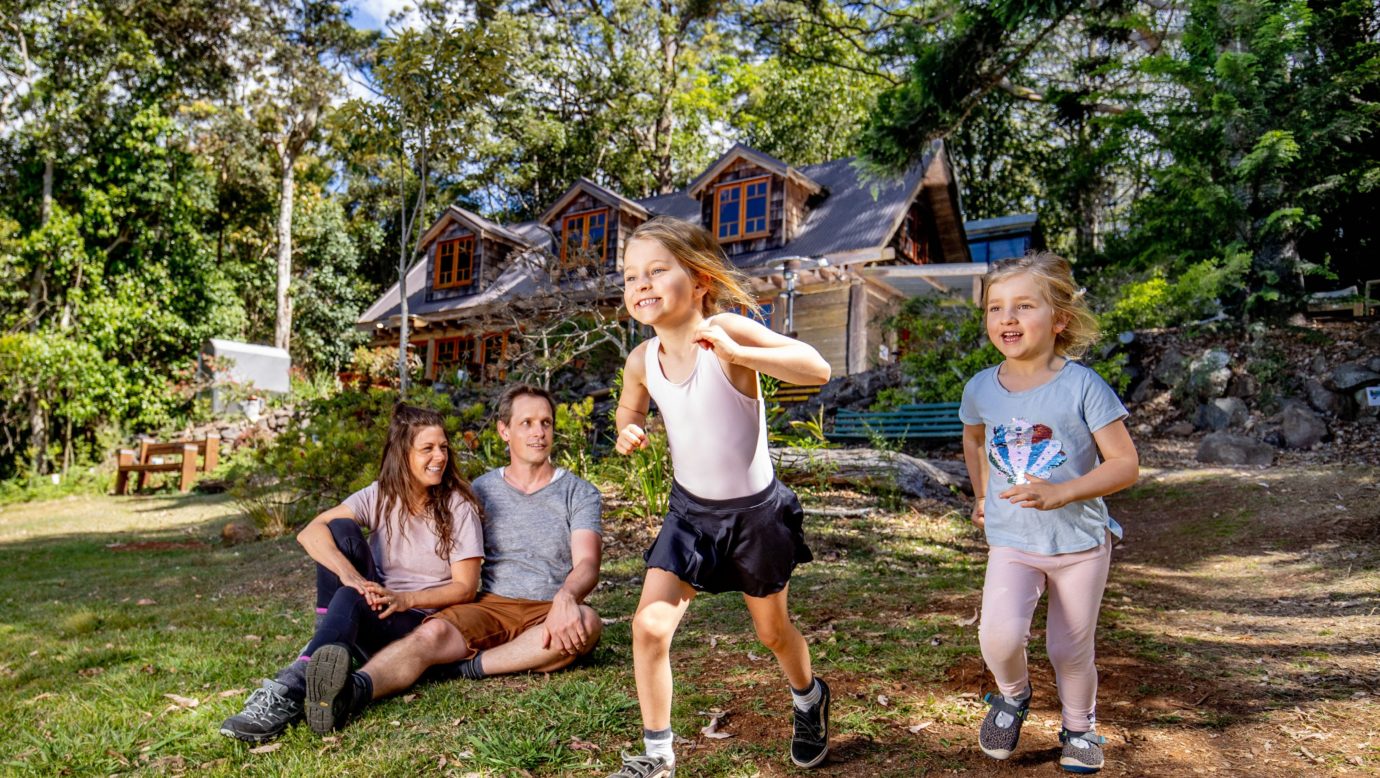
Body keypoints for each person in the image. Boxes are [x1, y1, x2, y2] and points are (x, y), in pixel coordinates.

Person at [607, 216, 833, 777]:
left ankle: (808, 697)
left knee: (772, 634)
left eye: (657, 270)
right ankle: (658, 758)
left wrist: (737, 350)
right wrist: (627, 428)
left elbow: (818, 368)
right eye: (631, 276)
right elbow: (631, 404)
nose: (641, 284)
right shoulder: (642, 360)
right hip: (690, 516)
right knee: (649, 627)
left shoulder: (727, 330)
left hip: (756, 516)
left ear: (700, 279)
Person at [301, 384, 604, 732]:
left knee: (588, 624)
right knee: (428, 637)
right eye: (527, 423)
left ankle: (463, 667)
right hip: (486, 606)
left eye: (546, 423)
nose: (539, 433)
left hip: (549, 606)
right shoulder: (480, 490)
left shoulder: (579, 492)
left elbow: (588, 564)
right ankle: (352, 692)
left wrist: (566, 597)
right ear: (504, 431)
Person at [959, 252, 1139, 774]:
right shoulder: (980, 388)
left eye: (1022, 306)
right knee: (997, 635)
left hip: (1080, 544)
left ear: (1058, 318)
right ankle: (1013, 695)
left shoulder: (1083, 385)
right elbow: (975, 440)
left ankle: (1079, 728)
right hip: (1013, 539)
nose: (1006, 319)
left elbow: (1125, 464)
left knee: (1069, 647)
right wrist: (980, 494)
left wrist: (1062, 493)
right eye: (995, 308)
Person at [219, 403, 484, 742]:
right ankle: (328, 653)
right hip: (376, 609)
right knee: (340, 530)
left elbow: (466, 588)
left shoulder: (457, 505)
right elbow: (309, 532)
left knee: (349, 596)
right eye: (428, 448)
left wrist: (404, 599)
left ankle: (291, 688)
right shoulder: (381, 495)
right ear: (402, 454)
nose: (440, 457)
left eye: (443, 447)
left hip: (418, 623)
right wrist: (350, 575)